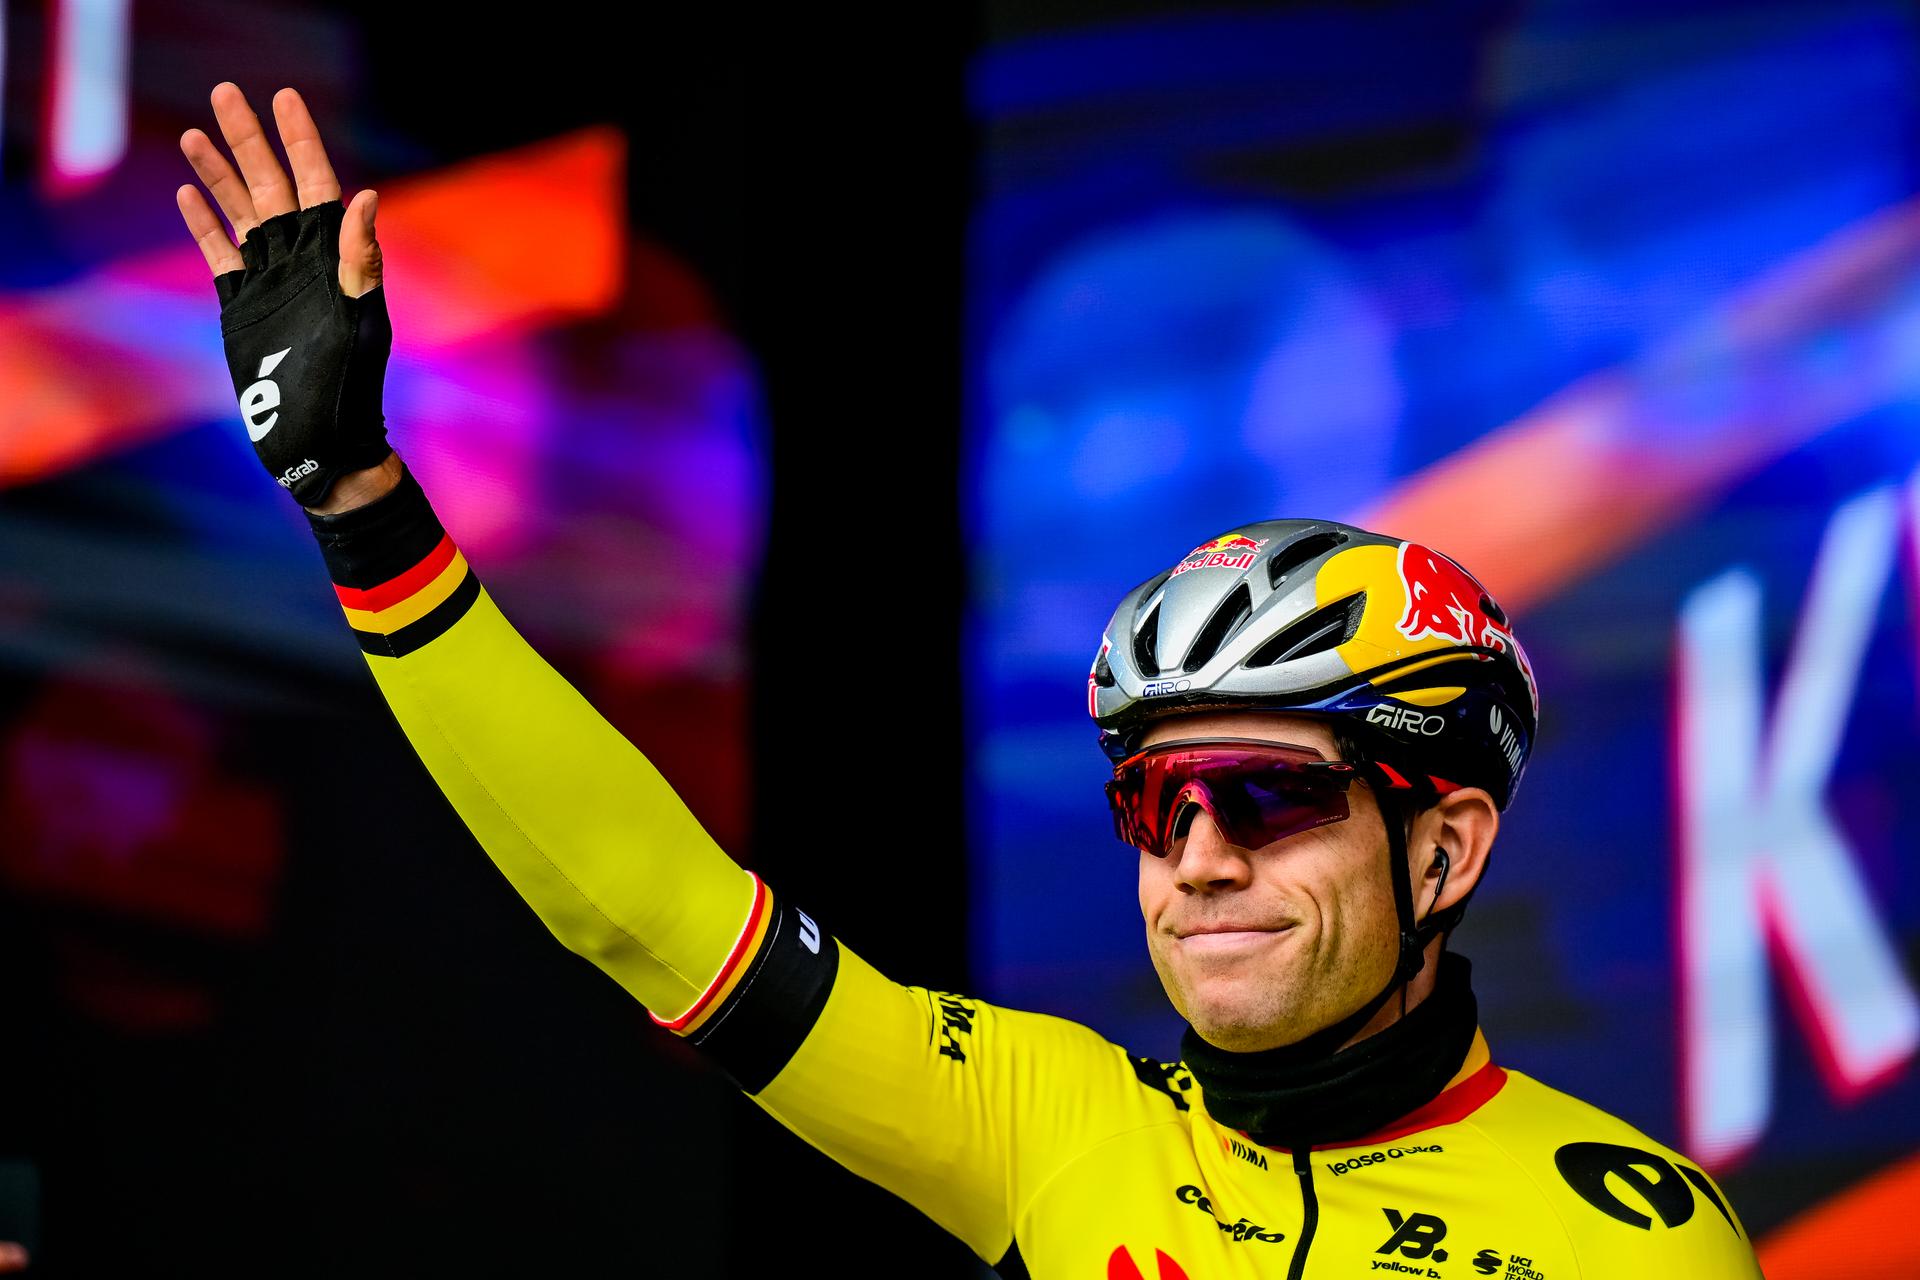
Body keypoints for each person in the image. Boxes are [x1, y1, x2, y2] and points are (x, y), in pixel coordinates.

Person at [177, 82, 1766, 1277]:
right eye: (1159, 800)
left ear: (1447, 845)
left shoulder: (1639, 1235)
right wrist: (358, 497)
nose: (1200, 859)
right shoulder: (1054, 1119)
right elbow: (643, 904)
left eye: (1273, 793)